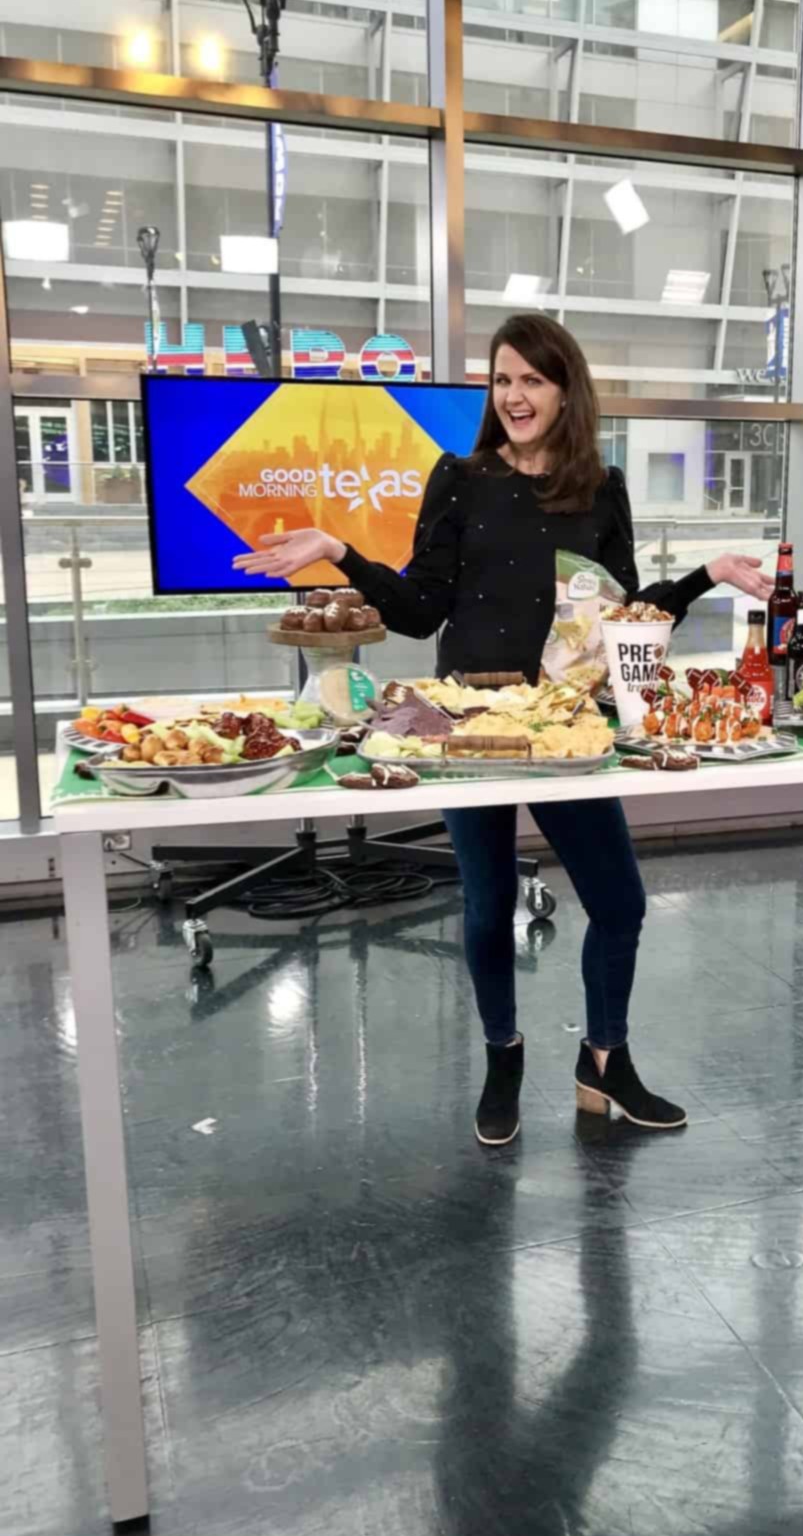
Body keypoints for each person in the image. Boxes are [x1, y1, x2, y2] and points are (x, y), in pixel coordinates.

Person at [233, 313, 772, 1148]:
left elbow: (616, 616)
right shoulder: (461, 478)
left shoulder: (602, 487)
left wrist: (705, 576)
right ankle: (502, 1057)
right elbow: (417, 610)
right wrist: (340, 549)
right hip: (465, 728)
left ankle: (605, 1065)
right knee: (486, 907)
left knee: (620, 904)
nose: (514, 395)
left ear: (565, 391)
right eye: (503, 379)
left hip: (564, 729)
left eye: (532, 380)